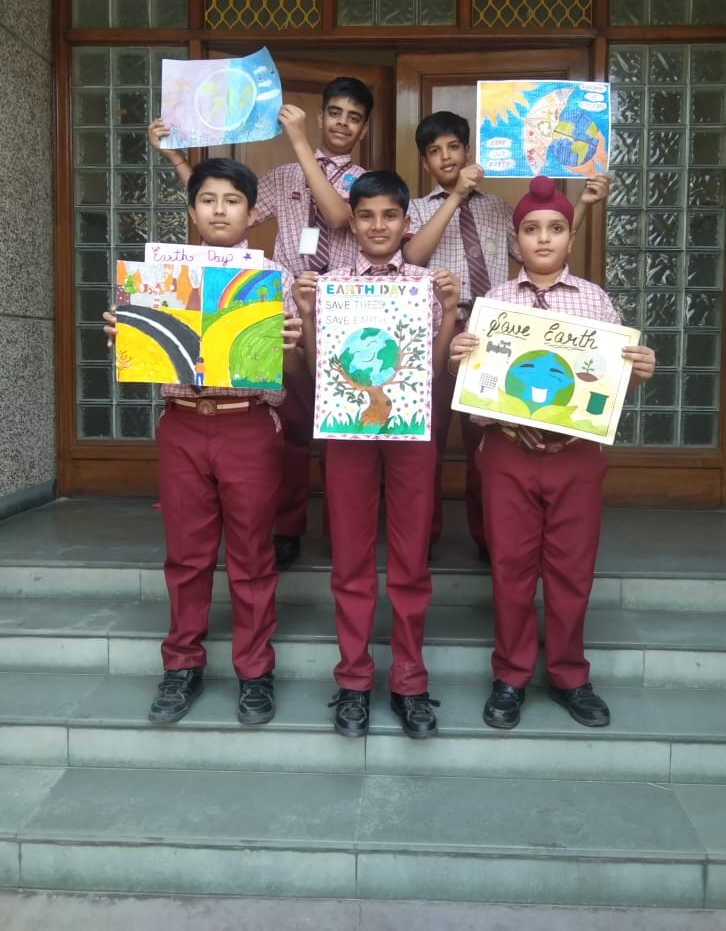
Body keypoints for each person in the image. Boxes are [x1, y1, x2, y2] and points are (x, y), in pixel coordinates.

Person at [449, 175, 655, 731]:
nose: (543, 238)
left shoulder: (595, 299)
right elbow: (477, 385)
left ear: (570, 237)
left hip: (575, 455)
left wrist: (635, 374)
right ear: (516, 241)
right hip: (508, 451)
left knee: (571, 569)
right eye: (532, 229)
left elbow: (605, 382)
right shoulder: (494, 303)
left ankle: (569, 675)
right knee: (511, 569)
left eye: (556, 228)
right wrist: (457, 356)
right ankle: (511, 675)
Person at [103, 158, 304, 726]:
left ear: (251, 211)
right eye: (208, 199)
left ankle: (255, 670)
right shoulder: (162, 276)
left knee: (252, 555)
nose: (220, 210)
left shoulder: (273, 278)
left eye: (232, 200)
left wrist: (293, 344)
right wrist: (123, 333)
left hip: (247, 424)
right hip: (184, 423)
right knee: (187, 555)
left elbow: (293, 369)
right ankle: (182, 665)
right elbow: (142, 351)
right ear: (192, 211)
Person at [149, 76, 374, 572]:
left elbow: (337, 218)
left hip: (348, 312)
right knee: (288, 426)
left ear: (363, 130)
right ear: (322, 116)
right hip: (277, 306)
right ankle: (286, 527)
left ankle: (343, 532)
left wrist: (298, 142)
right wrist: (177, 160)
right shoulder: (280, 177)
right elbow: (228, 210)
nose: (342, 123)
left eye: (354, 117)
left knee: (346, 430)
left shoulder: (364, 181)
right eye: (335, 112)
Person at [292, 170, 460, 740]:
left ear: (406, 222)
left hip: (411, 432)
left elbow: (433, 372)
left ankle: (410, 681)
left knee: (410, 562)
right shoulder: (331, 284)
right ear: (354, 223)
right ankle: (354, 680)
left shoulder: (427, 284)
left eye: (390, 215)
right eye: (366, 215)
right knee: (351, 559)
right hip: (348, 434)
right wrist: (309, 313)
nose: (378, 225)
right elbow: (318, 372)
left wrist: (450, 312)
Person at [403, 111, 609, 563]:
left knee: (489, 438)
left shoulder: (498, 207)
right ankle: (424, 538)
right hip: (437, 328)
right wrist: (456, 197)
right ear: (424, 162)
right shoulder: (417, 209)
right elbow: (413, 256)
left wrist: (584, 204)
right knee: (426, 441)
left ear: (467, 151)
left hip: (497, 331)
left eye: (453, 147)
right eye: (435, 151)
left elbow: (541, 248)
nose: (445, 157)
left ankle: (489, 537)